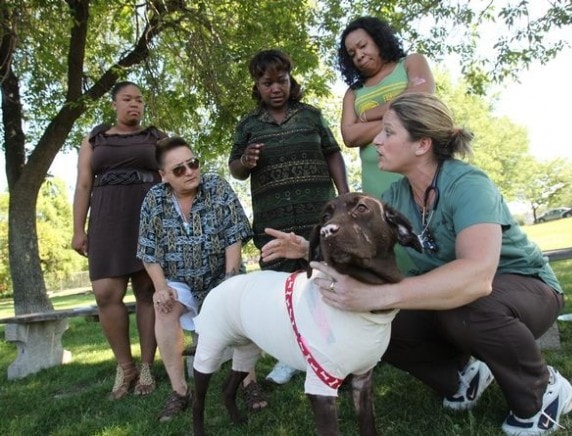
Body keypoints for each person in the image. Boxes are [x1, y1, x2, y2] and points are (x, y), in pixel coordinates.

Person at [266, 93, 572, 435]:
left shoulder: (468, 184)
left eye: (388, 132)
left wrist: (378, 297)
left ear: (422, 144)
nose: (377, 141)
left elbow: (476, 277)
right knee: (382, 326)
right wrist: (313, 245)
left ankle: (542, 391)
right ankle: (460, 380)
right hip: (453, 299)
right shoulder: (396, 196)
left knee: (469, 308)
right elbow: (361, 242)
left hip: (523, 289)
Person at [229, 49, 349, 384]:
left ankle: (338, 352)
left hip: (317, 217)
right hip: (274, 223)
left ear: (289, 79)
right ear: (257, 84)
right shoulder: (249, 125)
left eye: (281, 80)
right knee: (285, 293)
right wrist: (246, 161)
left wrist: (344, 196)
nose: (276, 88)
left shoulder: (310, 115)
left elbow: (332, 152)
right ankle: (291, 357)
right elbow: (235, 167)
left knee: (327, 281)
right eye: (267, 82)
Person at [137, 136, 254, 421]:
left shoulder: (217, 187)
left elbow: (234, 235)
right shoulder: (154, 199)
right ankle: (180, 391)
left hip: (219, 273)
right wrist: (161, 288)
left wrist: (229, 279)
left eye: (193, 163)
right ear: (163, 176)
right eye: (179, 169)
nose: (190, 171)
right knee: (163, 310)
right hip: (179, 280)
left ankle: (250, 383)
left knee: (239, 308)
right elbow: (148, 249)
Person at [72, 81, 166, 400]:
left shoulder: (156, 137)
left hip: (148, 217)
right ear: (114, 104)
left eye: (139, 100)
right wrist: (78, 229)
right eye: (127, 99)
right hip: (107, 220)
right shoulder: (95, 140)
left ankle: (147, 367)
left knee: (147, 291)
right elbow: (83, 186)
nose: (134, 104)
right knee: (105, 293)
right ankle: (124, 368)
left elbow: (174, 175)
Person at [337, 16, 435, 275]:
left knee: (433, 237)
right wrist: (398, 112)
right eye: (352, 53)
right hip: (377, 181)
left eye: (363, 45)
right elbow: (349, 136)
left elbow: (422, 96)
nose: (359, 55)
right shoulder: (353, 92)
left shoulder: (411, 63)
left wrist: (369, 115)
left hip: (423, 172)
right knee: (396, 248)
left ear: (379, 40)